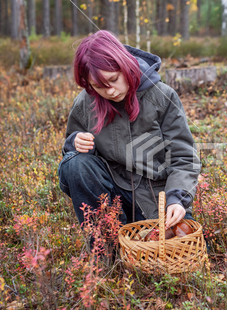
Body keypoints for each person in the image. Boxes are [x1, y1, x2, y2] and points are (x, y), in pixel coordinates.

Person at [58, 30, 200, 229]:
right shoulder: (85, 102)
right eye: (99, 86)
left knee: (184, 250)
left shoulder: (161, 96)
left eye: (114, 79)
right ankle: (106, 247)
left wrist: (177, 199)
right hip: (111, 196)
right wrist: (74, 143)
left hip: (156, 199)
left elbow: (184, 157)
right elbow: (73, 162)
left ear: (124, 65)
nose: (110, 91)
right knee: (76, 165)